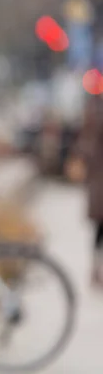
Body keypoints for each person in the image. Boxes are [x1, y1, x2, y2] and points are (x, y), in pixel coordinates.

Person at [74, 92, 103, 286]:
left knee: (100, 228)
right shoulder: (94, 110)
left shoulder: (92, 110)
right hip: (98, 178)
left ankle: (95, 270)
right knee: (100, 227)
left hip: (97, 178)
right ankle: (95, 270)